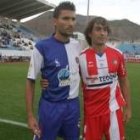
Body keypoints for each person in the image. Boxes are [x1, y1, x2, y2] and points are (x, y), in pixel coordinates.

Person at [25, 2, 82, 140]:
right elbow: (30, 80)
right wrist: (30, 115)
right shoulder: (42, 47)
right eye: (66, 18)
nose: (70, 23)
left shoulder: (78, 46)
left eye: (73, 19)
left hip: (73, 107)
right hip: (50, 107)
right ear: (55, 21)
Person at [79, 17, 132, 140]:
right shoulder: (81, 58)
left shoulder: (117, 54)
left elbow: (124, 81)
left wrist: (128, 108)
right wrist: (46, 82)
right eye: (98, 29)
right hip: (91, 114)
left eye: (105, 30)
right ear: (89, 33)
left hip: (114, 110)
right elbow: (72, 80)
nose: (102, 33)